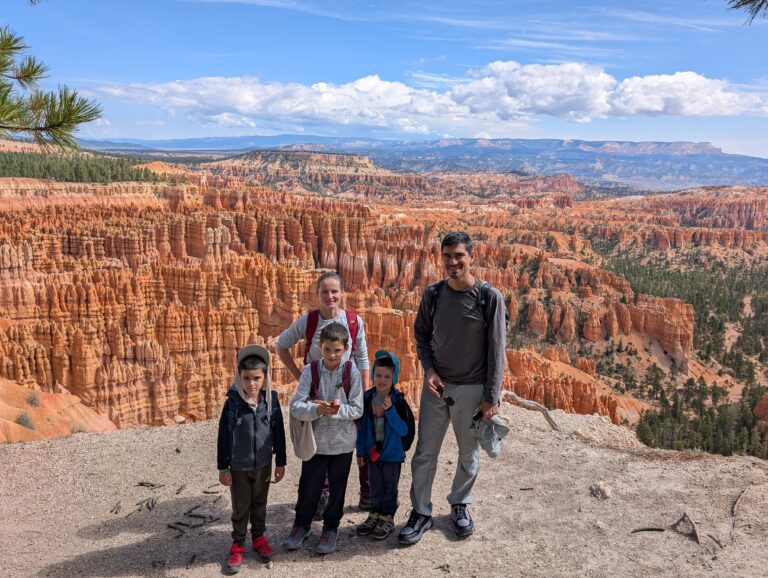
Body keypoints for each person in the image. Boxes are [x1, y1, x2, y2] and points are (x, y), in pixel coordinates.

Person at [398, 231, 506, 546]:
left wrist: (491, 398)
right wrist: (429, 370)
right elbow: (421, 335)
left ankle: (460, 504)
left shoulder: (489, 297)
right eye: (447, 256)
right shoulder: (433, 294)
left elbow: (497, 351)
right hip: (436, 388)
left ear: (471, 256)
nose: (453, 262)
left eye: (459, 255)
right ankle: (420, 511)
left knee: (468, 454)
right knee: (424, 453)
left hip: (472, 390)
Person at [276, 271, 372, 513]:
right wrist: (301, 378)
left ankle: (367, 492)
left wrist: (365, 388)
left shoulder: (353, 321)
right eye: (324, 292)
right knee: (319, 444)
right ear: (317, 295)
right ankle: (323, 494)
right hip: (318, 394)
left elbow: (361, 355)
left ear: (342, 293)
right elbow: (281, 345)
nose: (330, 296)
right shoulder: (308, 321)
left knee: (360, 440)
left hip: (349, 392)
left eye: (334, 291)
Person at [284, 322, 364, 555]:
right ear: (320, 347)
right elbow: (296, 407)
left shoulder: (352, 372)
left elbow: (358, 409)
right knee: (309, 487)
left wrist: (336, 411)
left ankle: (331, 528)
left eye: (337, 350)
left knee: (337, 489)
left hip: (342, 444)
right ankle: (301, 526)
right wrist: (317, 411)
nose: (331, 355)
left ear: (346, 349)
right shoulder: (311, 371)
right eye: (327, 349)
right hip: (316, 444)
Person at [217, 344, 287, 574]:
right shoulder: (233, 403)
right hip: (238, 466)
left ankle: (258, 538)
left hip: (264, 464)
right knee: (240, 506)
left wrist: (281, 461)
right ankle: (238, 544)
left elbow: (279, 432)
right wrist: (223, 467)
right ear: (239, 376)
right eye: (246, 378)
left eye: (256, 378)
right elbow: (223, 436)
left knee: (259, 504)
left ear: (265, 376)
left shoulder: (271, 401)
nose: (251, 383)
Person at [355, 350, 415, 540]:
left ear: (394, 377)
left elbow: (403, 430)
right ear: (373, 375)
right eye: (378, 375)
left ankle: (387, 518)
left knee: (390, 487)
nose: (381, 380)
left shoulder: (398, 401)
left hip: (392, 454)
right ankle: (375, 514)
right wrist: (361, 451)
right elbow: (363, 427)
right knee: (375, 486)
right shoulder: (367, 398)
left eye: (387, 376)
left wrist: (389, 411)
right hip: (373, 454)